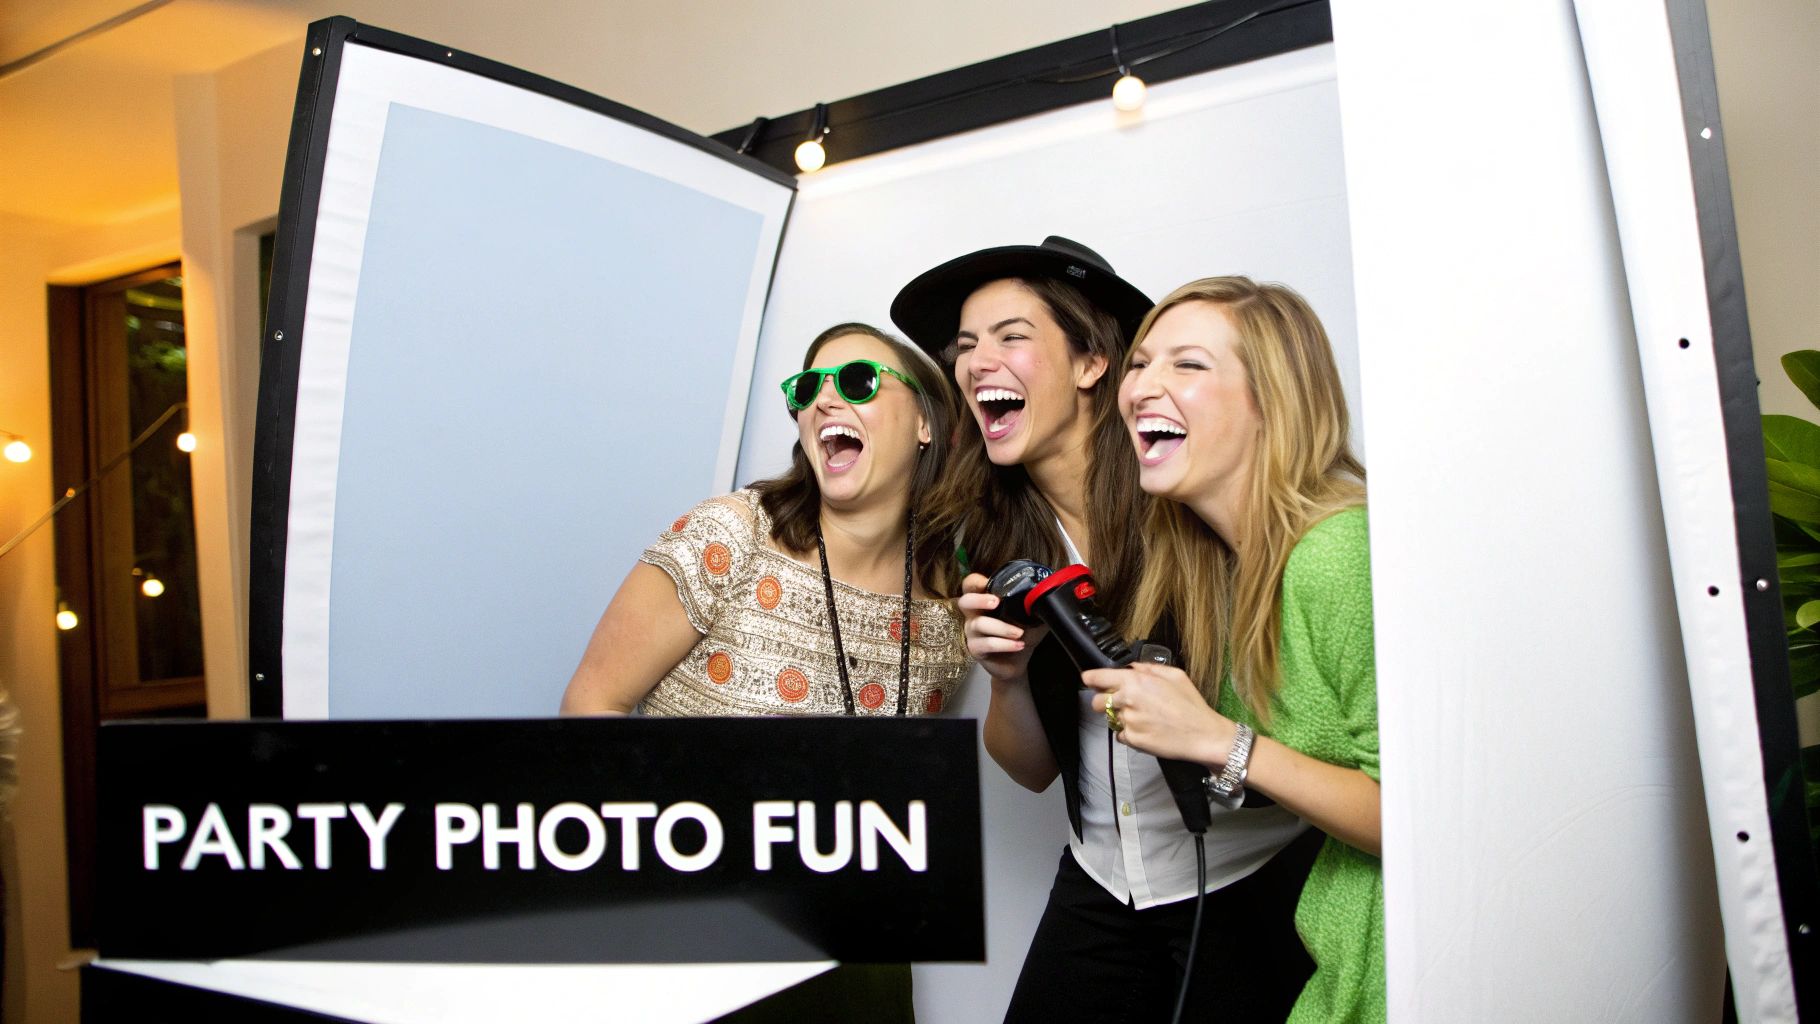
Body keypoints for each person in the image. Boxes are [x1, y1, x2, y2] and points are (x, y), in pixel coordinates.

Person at [894, 241, 1322, 1022]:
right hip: (1102, 879)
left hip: (1249, 880)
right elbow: (1032, 771)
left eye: (1010, 337)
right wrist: (1010, 680)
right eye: (964, 346)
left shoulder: (1196, 494)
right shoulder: (988, 540)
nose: (975, 362)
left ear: (1093, 362)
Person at [1084, 276, 1383, 1022]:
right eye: (1142, 363)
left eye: (1187, 365)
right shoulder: (1222, 572)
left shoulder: (1338, 555)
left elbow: (1425, 818)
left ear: (1272, 403)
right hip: (1337, 957)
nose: (1142, 387)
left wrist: (1221, 742)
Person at [560, 321, 969, 719]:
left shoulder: (948, 614)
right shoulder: (730, 536)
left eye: (858, 381)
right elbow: (590, 704)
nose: (821, 402)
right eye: (807, 390)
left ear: (925, 422)